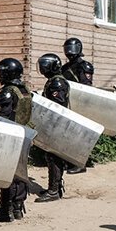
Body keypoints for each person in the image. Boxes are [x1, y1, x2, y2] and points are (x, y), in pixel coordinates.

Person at [0, 58, 31, 221]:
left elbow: (4, 117)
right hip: (25, 134)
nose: (0, 75)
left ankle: (5, 211)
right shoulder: (25, 90)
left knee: (7, 173)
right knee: (21, 172)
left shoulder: (8, 92)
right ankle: (17, 208)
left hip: (11, 135)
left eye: (2, 71)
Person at [36, 53, 70, 203]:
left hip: (57, 125)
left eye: (45, 65)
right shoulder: (54, 81)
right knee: (51, 156)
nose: (42, 68)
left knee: (53, 156)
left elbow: (57, 106)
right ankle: (54, 187)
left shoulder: (57, 83)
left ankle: (54, 190)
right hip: (54, 124)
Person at [62, 37, 94, 174]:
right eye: (67, 49)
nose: (70, 52)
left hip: (81, 103)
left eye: (72, 49)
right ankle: (70, 161)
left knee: (80, 135)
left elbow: (86, 87)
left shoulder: (84, 66)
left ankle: (81, 163)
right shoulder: (65, 68)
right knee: (68, 134)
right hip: (68, 103)